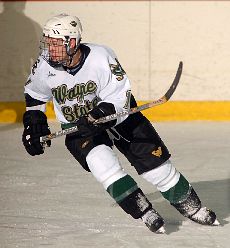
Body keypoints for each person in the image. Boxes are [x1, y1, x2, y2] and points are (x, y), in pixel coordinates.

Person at [22, 13, 219, 233]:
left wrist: (100, 113)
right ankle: (143, 211)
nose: (50, 48)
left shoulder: (100, 56)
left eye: (56, 43)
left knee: (157, 170)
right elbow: (34, 94)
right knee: (102, 166)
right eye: (48, 42)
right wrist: (34, 122)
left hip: (119, 115)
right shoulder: (44, 64)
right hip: (79, 126)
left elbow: (119, 95)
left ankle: (191, 207)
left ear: (73, 42)